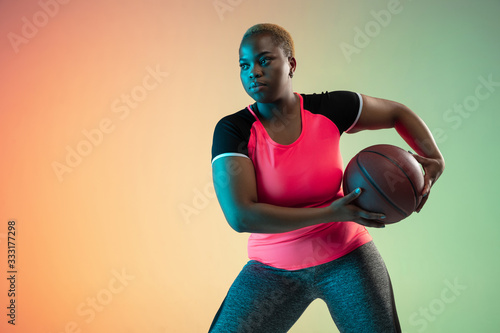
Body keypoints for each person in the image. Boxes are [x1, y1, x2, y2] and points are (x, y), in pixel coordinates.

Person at [209, 23, 444, 333]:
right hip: (272, 270)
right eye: (244, 65)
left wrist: (435, 159)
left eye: (265, 60)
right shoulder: (234, 130)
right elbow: (241, 216)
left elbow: (397, 113)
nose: (253, 71)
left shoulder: (330, 109)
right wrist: (333, 212)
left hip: (348, 256)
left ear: (291, 64)